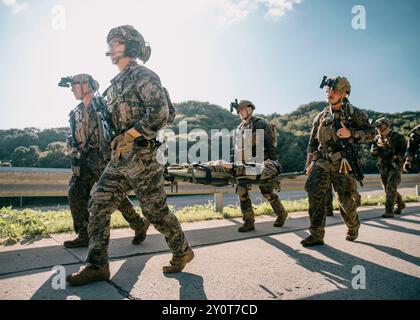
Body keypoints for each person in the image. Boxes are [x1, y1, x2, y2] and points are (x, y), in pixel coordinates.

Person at [66, 26, 193, 286]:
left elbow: (159, 112)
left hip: (145, 155)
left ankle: (182, 251)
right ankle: (97, 265)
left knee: (155, 212)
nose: (111, 46)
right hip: (120, 158)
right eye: (110, 42)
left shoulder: (143, 75)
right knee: (98, 203)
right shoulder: (115, 85)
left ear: (132, 46)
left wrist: (130, 135)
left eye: (117, 42)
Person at [64, 74, 149, 248]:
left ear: (87, 85)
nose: (72, 88)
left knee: (114, 197)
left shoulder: (104, 106)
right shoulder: (76, 111)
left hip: (102, 158)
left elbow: (116, 128)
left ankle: (138, 224)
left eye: (75, 85)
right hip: (82, 160)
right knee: (75, 192)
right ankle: (83, 233)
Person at [303, 76, 374, 247]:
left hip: (343, 163)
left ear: (344, 93)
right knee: (315, 196)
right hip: (321, 162)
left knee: (345, 200)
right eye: (328, 91)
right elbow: (312, 143)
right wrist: (310, 163)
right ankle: (316, 234)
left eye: (334, 91)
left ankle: (353, 225)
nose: (330, 93)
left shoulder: (354, 113)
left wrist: (351, 133)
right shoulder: (320, 116)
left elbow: (371, 133)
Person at [228, 100, 288, 232]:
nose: (241, 113)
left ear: (250, 109)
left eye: (243, 110)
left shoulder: (260, 123)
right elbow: (237, 149)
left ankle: (281, 213)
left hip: (262, 162)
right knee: (241, 190)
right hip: (245, 164)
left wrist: (273, 161)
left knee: (266, 192)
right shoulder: (240, 128)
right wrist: (233, 163)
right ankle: (249, 221)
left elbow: (270, 143)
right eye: (239, 111)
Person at [371, 118, 406, 218]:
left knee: (391, 187)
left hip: (394, 166)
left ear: (386, 125)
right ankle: (401, 203)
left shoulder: (397, 137)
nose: (378, 128)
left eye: (380, 126)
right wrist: (374, 152)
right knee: (387, 188)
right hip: (383, 166)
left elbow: (403, 151)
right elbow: (373, 152)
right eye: (377, 127)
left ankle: (389, 211)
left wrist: (395, 156)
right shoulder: (377, 138)